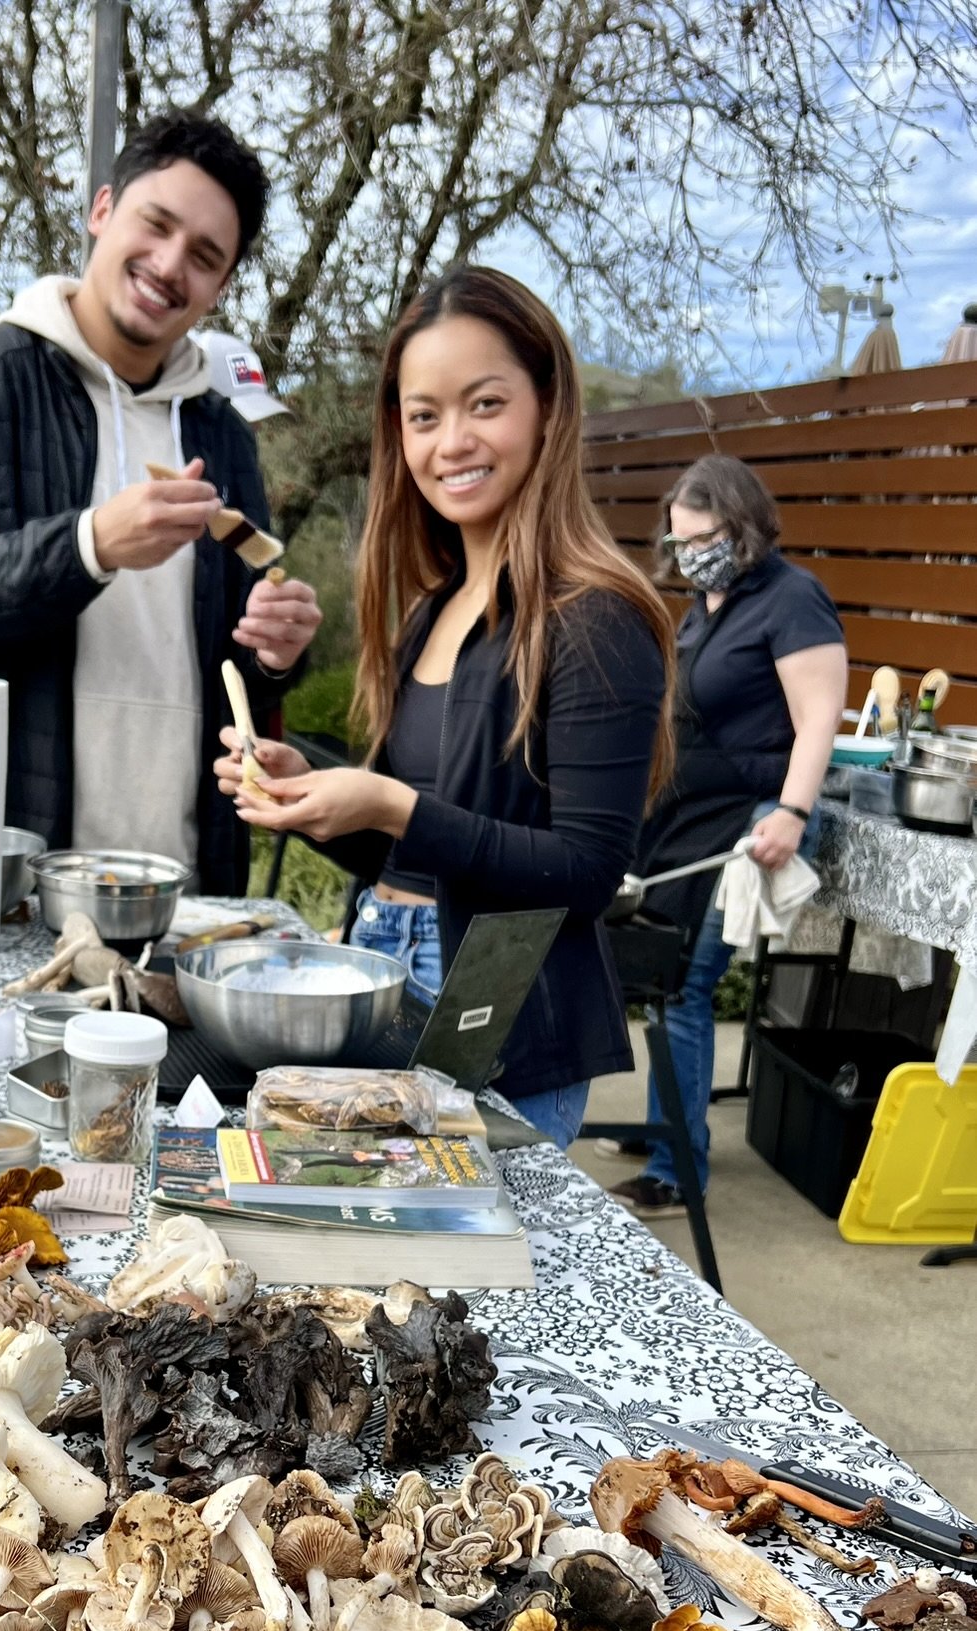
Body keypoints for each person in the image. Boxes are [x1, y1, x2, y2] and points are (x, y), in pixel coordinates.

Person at [215, 266, 674, 1149]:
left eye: (485, 404)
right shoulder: (435, 607)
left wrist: (392, 804)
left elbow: (587, 871)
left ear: (547, 407)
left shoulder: (594, 619)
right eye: (423, 416)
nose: (451, 441)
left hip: (499, 1020)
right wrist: (318, 798)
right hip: (385, 970)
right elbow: (416, 851)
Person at [0, 110, 321, 893]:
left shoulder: (221, 431)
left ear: (220, 287)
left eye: (205, 257)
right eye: (157, 224)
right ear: (102, 210)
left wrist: (276, 652)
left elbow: (238, 659)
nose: (170, 265)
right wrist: (89, 546)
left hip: (180, 888)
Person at [607, 453, 847, 1217]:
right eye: (677, 542)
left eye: (702, 539)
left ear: (743, 527)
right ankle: (664, 1125)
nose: (688, 554)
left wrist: (792, 812)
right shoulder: (704, 608)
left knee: (687, 983)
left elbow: (819, 718)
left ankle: (678, 1173)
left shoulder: (792, 599)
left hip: (748, 819)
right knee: (661, 971)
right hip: (683, 819)